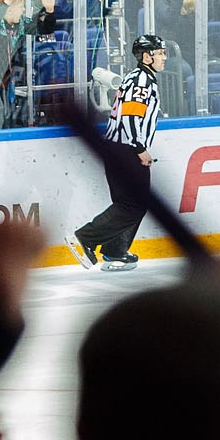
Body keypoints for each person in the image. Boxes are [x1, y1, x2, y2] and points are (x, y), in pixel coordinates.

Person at [66, 34, 166, 271]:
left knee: (128, 204)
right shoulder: (142, 81)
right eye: (160, 53)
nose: (164, 58)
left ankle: (115, 251)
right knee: (134, 205)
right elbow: (131, 116)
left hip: (119, 149)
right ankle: (85, 238)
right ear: (146, 56)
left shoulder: (137, 77)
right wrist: (140, 149)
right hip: (127, 150)